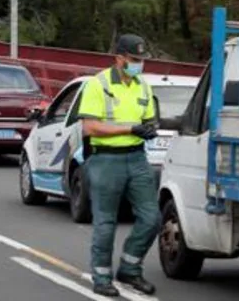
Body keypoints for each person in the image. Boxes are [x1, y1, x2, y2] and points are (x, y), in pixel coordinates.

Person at [74, 33, 161, 297]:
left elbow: (149, 118)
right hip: (106, 160)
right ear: (118, 58)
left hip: (137, 158)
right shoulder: (97, 85)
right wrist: (130, 128)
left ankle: (130, 269)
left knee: (151, 218)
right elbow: (89, 127)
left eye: (142, 60)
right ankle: (101, 277)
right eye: (134, 59)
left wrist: (149, 128)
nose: (139, 64)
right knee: (106, 222)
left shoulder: (143, 86)